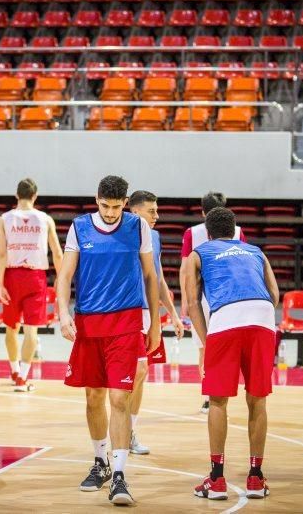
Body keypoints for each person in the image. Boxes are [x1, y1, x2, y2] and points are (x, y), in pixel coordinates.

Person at [56, 175, 161, 506]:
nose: (112, 212)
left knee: (119, 398)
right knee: (93, 397)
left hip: (127, 322)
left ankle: (119, 474)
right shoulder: (79, 227)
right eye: (105, 206)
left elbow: (150, 276)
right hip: (89, 322)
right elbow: (65, 275)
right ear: (96, 200)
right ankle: (100, 461)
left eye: (117, 206)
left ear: (125, 202)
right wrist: (62, 313)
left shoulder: (138, 227)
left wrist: (155, 323)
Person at [185, 207, 279, 501]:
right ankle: (255, 477)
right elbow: (274, 294)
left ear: (208, 232)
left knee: (218, 400)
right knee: (257, 399)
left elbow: (191, 303)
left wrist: (206, 339)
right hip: (263, 316)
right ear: (235, 230)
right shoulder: (255, 250)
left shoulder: (198, 254)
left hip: (226, 317)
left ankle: (216, 479)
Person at [127, 190, 184, 455]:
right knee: (130, 373)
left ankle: (129, 432)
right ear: (135, 211)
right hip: (122, 311)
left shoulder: (155, 237)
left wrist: (172, 313)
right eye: (152, 211)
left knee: (141, 372)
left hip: (146, 311)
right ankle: (117, 432)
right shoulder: (121, 232)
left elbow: (158, 278)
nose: (157, 216)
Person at [179, 192, 245, 413]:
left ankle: (210, 396)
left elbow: (184, 269)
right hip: (230, 298)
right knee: (227, 349)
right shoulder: (237, 231)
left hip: (205, 299)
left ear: (202, 211)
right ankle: (220, 394)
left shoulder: (193, 232)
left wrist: (186, 299)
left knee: (205, 349)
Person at [0, 178, 63, 392]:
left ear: (17, 195)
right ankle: (23, 379)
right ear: (35, 196)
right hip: (36, 278)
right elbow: (58, 253)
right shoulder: (45, 219)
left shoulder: (3, 219)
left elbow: (2, 253)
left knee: (11, 329)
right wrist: (61, 279)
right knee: (31, 330)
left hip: (11, 277)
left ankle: (14, 370)